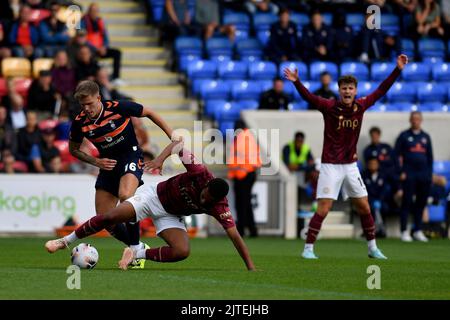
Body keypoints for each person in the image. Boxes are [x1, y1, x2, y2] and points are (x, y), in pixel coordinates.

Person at [45, 141, 256, 271]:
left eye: (207, 202)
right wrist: (159, 160)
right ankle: (65, 241)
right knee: (110, 216)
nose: (203, 201)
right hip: (153, 197)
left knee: (182, 251)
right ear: (206, 185)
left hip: (172, 215)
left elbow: (235, 236)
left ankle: (137, 254)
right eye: (204, 196)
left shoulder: (220, 205)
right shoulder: (200, 172)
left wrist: (250, 267)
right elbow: (178, 144)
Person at [283, 53, 409, 259]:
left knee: (364, 205)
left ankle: (372, 248)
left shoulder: (361, 106)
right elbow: (310, 98)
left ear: (355, 91)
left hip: (350, 165)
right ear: (339, 91)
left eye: (351, 88)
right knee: (324, 207)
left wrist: (398, 70)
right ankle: (308, 249)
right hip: (330, 165)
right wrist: (297, 83)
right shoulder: (330, 107)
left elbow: (382, 90)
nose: (347, 91)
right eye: (344, 88)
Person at [67, 80, 176, 268]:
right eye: (83, 105)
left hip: (130, 156)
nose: (87, 109)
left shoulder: (118, 107)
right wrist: (95, 161)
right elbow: (74, 150)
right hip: (107, 164)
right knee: (105, 218)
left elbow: (149, 112)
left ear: (99, 98)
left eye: (90, 104)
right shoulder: (80, 122)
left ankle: (134, 249)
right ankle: (138, 247)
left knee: (126, 196)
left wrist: (171, 134)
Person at [394, 111, 433, 242]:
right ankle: (404, 231)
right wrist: (400, 172)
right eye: (413, 119)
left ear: (421, 120)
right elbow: (395, 155)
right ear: (410, 120)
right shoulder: (404, 136)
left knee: (421, 203)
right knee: (406, 202)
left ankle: (418, 230)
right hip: (409, 174)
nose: (415, 121)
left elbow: (430, 158)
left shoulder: (425, 137)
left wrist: (429, 174)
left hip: (423, 175)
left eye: (418, 119)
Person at [227, 119, 262, 237]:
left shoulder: (242, 137)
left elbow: (242, 158)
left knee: (242, 204)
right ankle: (251, 229)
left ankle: (242, 229)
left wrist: (241, 170)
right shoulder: (247, 136)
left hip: (243, 175)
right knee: (245, 203)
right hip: (246, 173)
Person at [81, 3, 122, 80]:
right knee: (87, 54)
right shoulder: (83, 21)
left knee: (117, 52)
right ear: (89, 11)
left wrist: (104, 47)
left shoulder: (100, 21)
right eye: (93, 10)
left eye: (96, 11)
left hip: (101, 49)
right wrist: (96, 48)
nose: (94, 13)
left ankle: (116, 77)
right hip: (91, 49)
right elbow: (83, 39)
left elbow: (105, 37)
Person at [282, 131, 318, 210]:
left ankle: (314, 202)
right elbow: (288, 166)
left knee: (315, 173)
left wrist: (299, 167)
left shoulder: (306, 149)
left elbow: (312, 164)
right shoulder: (287, 147)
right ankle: (298, 204)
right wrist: (304, 166)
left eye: (301, 141)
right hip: (288, 174)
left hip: (301, 173)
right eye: (297, 141)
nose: (299, 143)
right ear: (294, 140)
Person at [361, 157, 389, 238]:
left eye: (375, 164)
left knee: (384, 208)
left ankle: (381, 230)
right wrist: (371, 200)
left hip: (380, 200)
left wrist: (379, 200)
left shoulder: (383, 175)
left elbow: (385, 189)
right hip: (368, 200)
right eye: (371, 164)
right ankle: (368, 231)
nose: (373, 166)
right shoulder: (364, 175)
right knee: (368, 209)